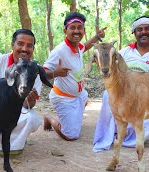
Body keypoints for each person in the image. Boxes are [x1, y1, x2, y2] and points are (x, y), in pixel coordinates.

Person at [93, 16, 149, 152]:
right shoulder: (123, 52)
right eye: (139, 29)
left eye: (147, 28)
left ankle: (126, 140)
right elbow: (110, 70)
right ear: (134, 33)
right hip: (123, 99)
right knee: (107, 95)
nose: (143, 32)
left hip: (147, 102)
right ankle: (104, 138)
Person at [43, 12, 106, 141]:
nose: (76, 31)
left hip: (79, 95)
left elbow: (86, 46)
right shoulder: (59, 51)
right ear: (65, 30)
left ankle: (73, 115)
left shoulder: (79, 47)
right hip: (62, 97)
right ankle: (49, 117)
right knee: (71, 135)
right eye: (72, 28)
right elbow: (42, 73)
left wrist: (97, 37)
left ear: (84, 30)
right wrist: (56, 73)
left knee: (84, 97)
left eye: (79, 27)